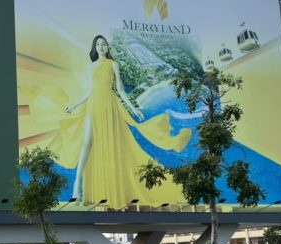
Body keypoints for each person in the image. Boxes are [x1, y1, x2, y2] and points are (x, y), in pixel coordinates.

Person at [63, 34, 190, 208]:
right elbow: (90, 91)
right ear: (94, 48)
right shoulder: (91, 66)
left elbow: (121, 90)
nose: (101, 46)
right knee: (87, 143)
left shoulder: (113, 64)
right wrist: (74, 105)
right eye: (98, 44)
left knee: (111, 146)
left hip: (109, 104)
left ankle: (111, 189)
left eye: (104, 44)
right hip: (93, 104)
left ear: (107, 47)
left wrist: (133, 108)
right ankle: (77, 186)